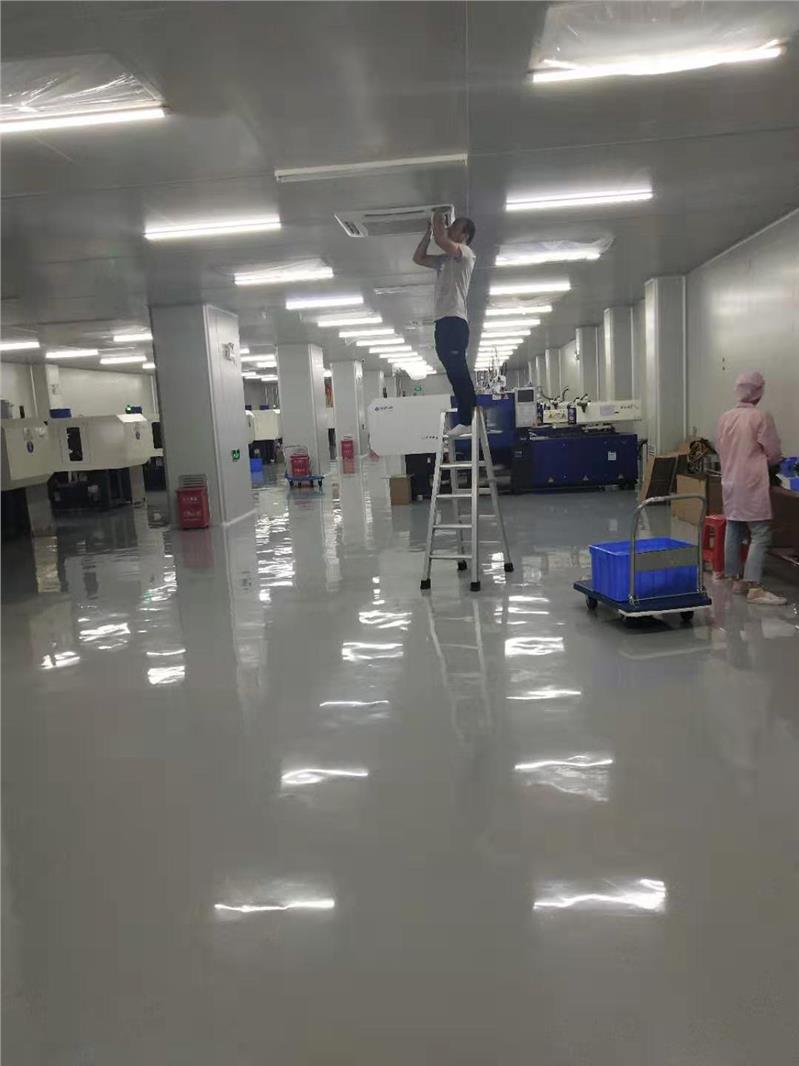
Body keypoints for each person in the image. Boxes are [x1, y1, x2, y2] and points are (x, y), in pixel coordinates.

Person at [716, 370, 786, 605]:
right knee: (760, 533)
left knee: (734, 527)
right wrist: (771, 462)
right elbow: (773, 453)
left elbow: (721, 448)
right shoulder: (761, 417)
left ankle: (735, 579)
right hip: (751, 482)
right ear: (758, 391)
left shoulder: (725, 417)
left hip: (730, 480)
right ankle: (754, 587)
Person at [412, 211, 477, 437]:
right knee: (451, 368)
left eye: (454, 227)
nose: (449, 230)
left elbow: (442, 240)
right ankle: (467, 413)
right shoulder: (444, 260)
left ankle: (467, 417)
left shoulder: (465, 254)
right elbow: (418, 258)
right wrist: (428, 232)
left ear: (464, 235)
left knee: (457, 368)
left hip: (455, 320)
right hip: (442, 321)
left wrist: (437, 215)